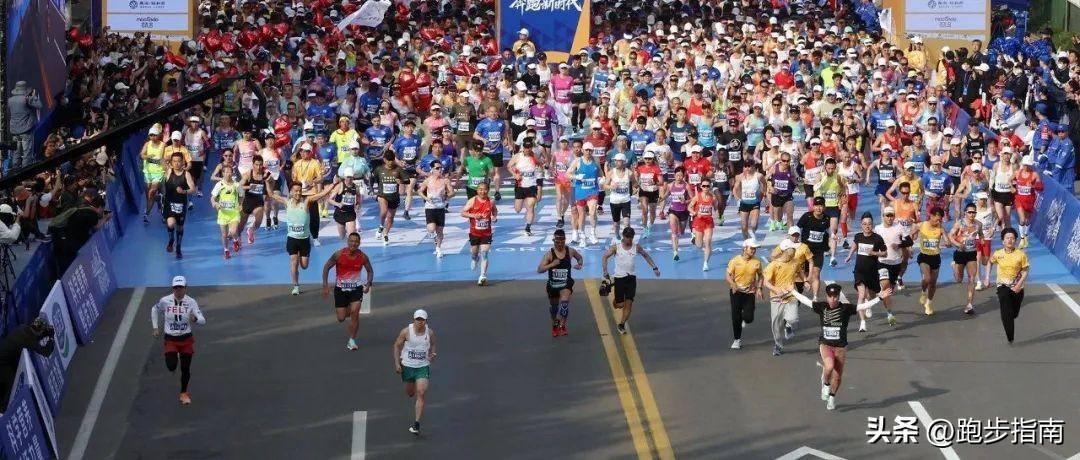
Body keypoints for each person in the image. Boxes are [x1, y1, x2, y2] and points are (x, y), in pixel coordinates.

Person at [789, 284, 892, 410]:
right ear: (827, 297)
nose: (832, 299)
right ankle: (826, 385)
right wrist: (793, 291)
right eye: (830, 296)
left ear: (838, 297)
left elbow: (862, 306)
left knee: (837, 377)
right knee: (829, 366)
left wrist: (879, 298)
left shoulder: (846, 309)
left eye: (835, 297)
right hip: (826, 344)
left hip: (840, 347)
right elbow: (806, 301)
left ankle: (832, 397)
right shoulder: (822, 307)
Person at [267, 181, 337, 295]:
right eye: (296, 191)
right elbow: (271, 194)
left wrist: (333, 185)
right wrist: (266, 182)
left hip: (304, 240)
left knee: (304, 266)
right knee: (294, 263)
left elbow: (321, 194)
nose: (298, 193)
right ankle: (296, 286)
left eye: (300, 191)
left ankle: (301, 257)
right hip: (292, 239)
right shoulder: (287, 202)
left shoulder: (306, 202)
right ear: (290, 192)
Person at [151, 275, 206, 405]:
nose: (178, 290)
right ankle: (174, 355)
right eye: (176, 287)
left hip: (186, 339)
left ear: (185, 287)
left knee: (185, 368)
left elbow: (203, 320)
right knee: (171, 366)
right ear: (172, 288)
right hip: (171, 338)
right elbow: (154, 309)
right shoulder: (165, 301)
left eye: (181, 287)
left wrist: (195, 319)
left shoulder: (191, 302)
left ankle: (184, 393)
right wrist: (155, 327)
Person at [601, 227, 661, 334]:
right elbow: (605, 257)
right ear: (623, 236)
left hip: (631, 279)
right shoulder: (616, 247)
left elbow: (646, 256)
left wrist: (654, 267)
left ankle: (621, 324)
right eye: (627, 237)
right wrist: (605, 271)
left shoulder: (636, 247)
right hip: (619, 278)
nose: (629, 239)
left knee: (629, 303)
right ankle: (616, 302)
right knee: (620, 305)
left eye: (631, 237)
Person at [322, 232, 374, 350]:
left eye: (356, 241)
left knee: (355, 313)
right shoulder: (339, 254)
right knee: (341, 318)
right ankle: (350, 310)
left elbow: (370, 271)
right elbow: (326, 267)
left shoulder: (363, 257)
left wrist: (368, 283)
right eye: (351, 241)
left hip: (356, 289)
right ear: (348, 242)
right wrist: (325, 285)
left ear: (359, 243)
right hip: (340, 290)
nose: (353, 243)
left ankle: (352, 340)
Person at [393, 309, 437, 436]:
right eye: (418, 319)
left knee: (421, 392)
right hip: (408, 366)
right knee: (410, 393)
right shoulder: (406, 332)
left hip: (422, 366)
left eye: (422, 320)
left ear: (426, 321)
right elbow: (396, 346)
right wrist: (397, 363)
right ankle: (410, 386)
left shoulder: (429, 332)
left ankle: (416, 424)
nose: (420, 322)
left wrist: (433, 354)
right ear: (414, 319)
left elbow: (433, 344)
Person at [843, 212, 889, 332]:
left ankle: (869, 303)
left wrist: (874, 253)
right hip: (859, 271)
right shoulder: (858, 236)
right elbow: (855, 245)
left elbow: (885, 253)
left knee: (871, 295)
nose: (867, 226)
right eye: (864, 224)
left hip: (872, 272)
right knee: (861, 295)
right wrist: (849, 255)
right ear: (861, 225)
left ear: (872, 224)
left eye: (869, 224)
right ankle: (862, 322)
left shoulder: (877, 238)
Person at [537, 229, 585, 336]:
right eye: (557, 242)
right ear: (554, 241)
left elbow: (579, 257)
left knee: (564, 304)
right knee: (554, 308)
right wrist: (552, 264)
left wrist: (580, 264)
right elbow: (539, 269)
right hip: (553, 284)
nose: (559, 245)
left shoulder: (570, 251)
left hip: (565, 283)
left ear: (565, 240)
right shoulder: (549, 254)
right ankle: (555, 324)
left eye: (562, 242)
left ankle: (562, 325)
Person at [0, 318, 54, 410]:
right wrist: (51, 338)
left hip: (6, 358)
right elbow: (46, 352)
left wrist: (45, 333)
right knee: (13, 383)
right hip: (3, 364)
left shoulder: (23, 327)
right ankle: (3, 408)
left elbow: (35, 338)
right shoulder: (28, 340)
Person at [989, 228, 1030, 344]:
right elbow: (990, 262)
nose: (1010, 240)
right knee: (1005, 308)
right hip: (1002, 285)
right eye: (1007, 238)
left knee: (1014, 313)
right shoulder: (998, 254)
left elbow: (1025, 270)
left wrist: (1019, 285)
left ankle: (1011, 315)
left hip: (1017, 288)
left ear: (1015, 240)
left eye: (1012, 238)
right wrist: (987, 277)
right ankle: (1010, 337)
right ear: (1003, 241)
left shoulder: (1021, 255)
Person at [762, 240, 801, 356]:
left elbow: (799, 272)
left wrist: (806, 281)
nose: (795, 250)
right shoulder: (773, 265)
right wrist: (775, 289)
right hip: (777, 298)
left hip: (791, 296)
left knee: (793, 319)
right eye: (793, 249)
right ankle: (778, 344)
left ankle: (788, 325)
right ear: (786, 250)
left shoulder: (795, 262)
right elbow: (766, 282)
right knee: (776, 325)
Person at [725, 239, 764, 350]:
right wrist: (733, 284)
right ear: (744, 248)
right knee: (735, 317)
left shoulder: (757, 262)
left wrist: (759, 288)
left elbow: (761, 275)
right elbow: (727, 275)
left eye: (754, 248)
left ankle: (744, 318)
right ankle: (737, 340)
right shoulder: (735, 260)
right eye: (751, 248)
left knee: (748, 318)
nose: (753, 250)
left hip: (749, 293)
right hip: (736, 292)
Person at [950, 203, 984, 314]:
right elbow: (950, 236)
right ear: (965, 213)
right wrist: (957, 244)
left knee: (972, 278)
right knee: (959, 279)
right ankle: (954, 266)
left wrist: (982, 240)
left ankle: (969, 305)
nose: (972, 214)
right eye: (970, 212)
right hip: (960, 253)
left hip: (971, 253)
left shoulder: (978, 224)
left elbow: (981, 235)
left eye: (974, 212)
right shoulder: (959, 223)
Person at [913, 207, 947, 315]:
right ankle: (923, 292)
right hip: (924, 256)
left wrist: (947, 241)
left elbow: (947, 241)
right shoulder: (922, 225)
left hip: (935, 257)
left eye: (940, 220)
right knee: (927, 278)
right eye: (937, 219)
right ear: (931, 216)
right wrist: (912, 234)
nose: (938, 222)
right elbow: (912, 235)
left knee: (933, 283)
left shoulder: (940, 228)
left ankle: (929, 303)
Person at [162, 152, 196, 259]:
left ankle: (178, 248)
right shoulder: (168, 171)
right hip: (169, 203)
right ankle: (171, 239)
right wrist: (165, 154)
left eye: (179, 161)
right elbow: (161, 160)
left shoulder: (186, 174)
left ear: (183, 162)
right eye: (174, 161)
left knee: (180, 227)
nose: (176, 163)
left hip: (181, 204)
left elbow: (193, 189)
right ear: (171, 162)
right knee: (171, 223)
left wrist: (184, 191)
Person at [462, 182, 497, 285]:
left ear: (488, 190)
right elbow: (463, 213)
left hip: (486, 233)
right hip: (474, 232)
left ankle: (482, 276)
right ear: (477, 190)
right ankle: (474, 258)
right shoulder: (472, 201)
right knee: (474, 251)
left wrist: (494, 217)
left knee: (485, 253)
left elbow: (494, 211)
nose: (483, 191)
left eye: (485, 189)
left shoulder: (491, 201)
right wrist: (473, 216)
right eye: (480, 189)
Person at [566, 145, 602, 245]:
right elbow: (567, 174)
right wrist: (576, 177)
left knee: (592, 211)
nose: (588, 152)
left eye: (590, 150)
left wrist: (602, 179)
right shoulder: (577, 161)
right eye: (586, 150)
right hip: (580, 192)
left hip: (593, 190)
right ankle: (582, 236)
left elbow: (600, 173)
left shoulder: (596, 160)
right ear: (583, 150)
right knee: (581, 215)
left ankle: (592, 233)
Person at [874, 207, 904, 324]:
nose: (890, 218)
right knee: (886, 287)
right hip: (882, 262)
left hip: (896, 263)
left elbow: (909, 241)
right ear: (883, 216)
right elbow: (872, 243)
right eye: (887, 215)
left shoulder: (899, 227)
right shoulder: (878, 229)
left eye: (892, 215)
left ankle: (881, 294)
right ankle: (890, 314)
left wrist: (899, 245)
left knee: (890, 291)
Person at [797, 197, 831, 299]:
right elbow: (797, 228)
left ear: (824, 207)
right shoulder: (806, 216)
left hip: (818, 252)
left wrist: (831, 243)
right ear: (813, 206)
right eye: (816, 206)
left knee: (816, 273)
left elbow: (830, 233)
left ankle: (815, 297)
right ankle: (801, 290)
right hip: (805, 252)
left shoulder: (827, 219)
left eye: (821, 206)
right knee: (805, 274)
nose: (818, 208)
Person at [418, 161, 454, 257]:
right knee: (431, 229)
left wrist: (446, 196)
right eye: (437, 168)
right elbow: (419, 191)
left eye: (441, 168)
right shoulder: (427, 180)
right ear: (432, 169)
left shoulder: (445, 180)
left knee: (440, 231)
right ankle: (433, 236)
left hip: (441, 207)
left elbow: (452, 192)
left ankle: (438, 248)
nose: (440, 170)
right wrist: (426, 198)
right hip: (430, 207)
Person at [508, 139, 543, 236]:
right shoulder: (517, 156)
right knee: (518, 209)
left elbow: (541, 169)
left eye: (529, 147)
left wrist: (539, 188)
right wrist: (515, 175)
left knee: (530, 207)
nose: (528, 149)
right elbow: (509, 166)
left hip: (531, 185)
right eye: (526, 147)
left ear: (531, 148)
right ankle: (523, 202)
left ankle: (528, 227)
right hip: (520, 186)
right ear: (523, 147)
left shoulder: (535, 157)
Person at [374, 151, 408, 245]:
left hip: (394, 197)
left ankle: (385, 234)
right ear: (384, 160)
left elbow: (407, 180)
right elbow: (373, 179)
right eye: (388, 160)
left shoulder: (398, 169)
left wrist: (401, 181)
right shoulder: (379, 169)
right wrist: (372, 189)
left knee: (390, 217)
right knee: (384, 211)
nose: (390, 162)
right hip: (382, 195)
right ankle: (381, 225)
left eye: (392, 160)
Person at [211, 164, 244, 259]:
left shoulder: (236, 185)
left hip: (234, 213)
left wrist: (240, 204)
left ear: (232, 173)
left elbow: (242, 195)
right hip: (223, 213)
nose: (228, 174)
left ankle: (235, 240)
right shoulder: (219, 185)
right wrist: (214, 203)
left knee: (233, 231)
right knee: (224, 235)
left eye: (230, 172)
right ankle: (226, 250)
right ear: (223, 173)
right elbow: (213, 197)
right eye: (226, 172)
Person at [239, 156, 271, 245]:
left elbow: (271, 186)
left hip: (258, 203)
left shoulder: (266, 174)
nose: (258, 167)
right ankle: (237, 238)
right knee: (241, 226)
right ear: (253, 165)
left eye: (260, 165)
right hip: (247, 202)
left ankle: (251, 230)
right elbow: (239, 186)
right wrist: (250, 187)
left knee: (259, 221)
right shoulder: (248, 174)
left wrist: (268, 184)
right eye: (256, 165)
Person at [689, 178, 718, 271]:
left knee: (708, 241)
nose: (705, 187)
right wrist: (695, 213)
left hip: (708, 222)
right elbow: (689, 207)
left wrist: (717, 215)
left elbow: (716, 208)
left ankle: (705, 263)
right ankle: (695, 238)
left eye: (707, 186)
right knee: (699, 245)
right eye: (704, 186)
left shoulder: (713, 198)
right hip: (699, 221)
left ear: (710, 187)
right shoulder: (697, 197)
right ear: (701, 187)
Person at [732, 159, 766, 240]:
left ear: (753, 167)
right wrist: (738, 199)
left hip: (755, 202)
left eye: (749, 166)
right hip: (744, 203)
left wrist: (762, 194)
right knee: (744, 226)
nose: (747, 168)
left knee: (754, 224)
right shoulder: (739, 177)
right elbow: (735, 189)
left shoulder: (759, 176)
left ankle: (752, 235)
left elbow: (764, 184)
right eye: (745, 166)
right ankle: (746, 241)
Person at [604, 153, 636, 239]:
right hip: (614, 201)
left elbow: (635, 183)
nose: (616, 163)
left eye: (619, 161)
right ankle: (617, 234)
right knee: (616, 223)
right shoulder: (611, 172)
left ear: (624, 162)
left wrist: (635, 188)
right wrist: (611, 187)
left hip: (625, 200)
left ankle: (627, 238)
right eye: (616, 161)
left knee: (627, 223)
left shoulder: (629, 173)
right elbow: (605, 185)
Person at [662, 167, 691, 261]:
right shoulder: (671, 185)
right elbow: (666, 195)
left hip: (683, 211)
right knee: (674, 232)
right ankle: (675, 252)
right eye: (677, 175)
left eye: (681, 175)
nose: (679, 177)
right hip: (673, 211)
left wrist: (685, 201)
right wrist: (661, 199)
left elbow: (693, 199)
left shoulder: (686, 186)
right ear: (674, 175)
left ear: (684, 176)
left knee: (681, 232)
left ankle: (679, 226)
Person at [141, 124, 167, 223]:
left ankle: (159, 200)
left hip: (158, 173)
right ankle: (147, 214)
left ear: (158, 135)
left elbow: (165, 159)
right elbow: (142, 155)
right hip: (148, 173)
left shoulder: (163, 145)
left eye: (154, 135)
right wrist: (148, 157)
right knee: (149, 196)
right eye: (151, 135)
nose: (152, 137)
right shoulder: (147, 144)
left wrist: (166, 170)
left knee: (152, 191)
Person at [636, 151, 665, 236]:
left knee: (652, 212)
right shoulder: (640, 168)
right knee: (645, 210)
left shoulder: (656, 169)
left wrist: (654, 182)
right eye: (646, 159)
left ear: (653, 159)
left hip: (653, 192)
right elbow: (636, 177)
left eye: (649, 159)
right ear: (643, 159)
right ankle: (645, 228)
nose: (648, 160)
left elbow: (661, 182)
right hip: (643, 191)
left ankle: (649, 226)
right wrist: (637, 184)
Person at [327, 169, 362, 240]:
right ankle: (345, 244)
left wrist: (358, 204)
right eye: (348, 177)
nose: (350, 179)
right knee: (342, 237)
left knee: (351, 235)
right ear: (345, 177)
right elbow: (330, 199)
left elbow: (358, 196)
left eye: (351, 177)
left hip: (350, 213)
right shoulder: (340, 186)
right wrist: (338, 204)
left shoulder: (355, 187)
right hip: (340, 213)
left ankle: (350, 245)